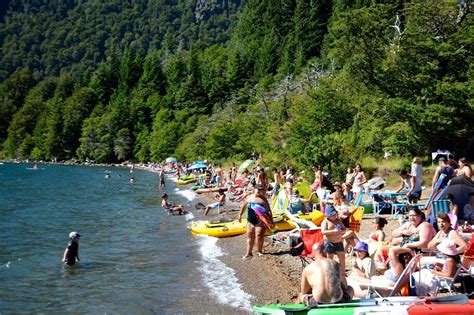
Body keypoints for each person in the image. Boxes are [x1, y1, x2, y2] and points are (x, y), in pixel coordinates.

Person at [238, 184, 274, 259]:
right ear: (255, 189)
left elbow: (268, 211)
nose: (260, 191)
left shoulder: (263, 199)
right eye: (259, 189)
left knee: (259, 235)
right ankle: (248, 253)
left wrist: (271, 221)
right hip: (250, 220)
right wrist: (240, 215)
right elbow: (243, 206)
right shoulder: (249, 197)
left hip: (260, 220)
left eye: (261, 190)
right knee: (249, 236)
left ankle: (259, 251)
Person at [321, 205, 347, 272]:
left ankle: (342, 273)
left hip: (338, 242)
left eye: (335, 214)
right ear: (328, 215)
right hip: (329, 242)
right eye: (332, 215)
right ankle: (330, 273)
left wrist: (342, 231)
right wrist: (333, 231)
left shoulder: (338, 220)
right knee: (330, 259)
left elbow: (344, 229)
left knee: (342, 258)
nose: (334, 216)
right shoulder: (325, 222)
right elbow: (323, 232)